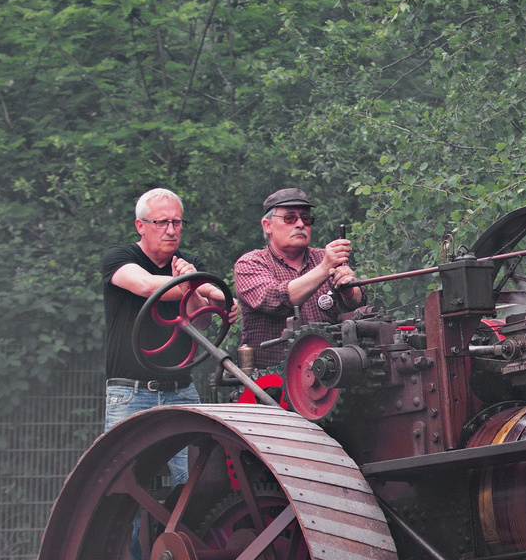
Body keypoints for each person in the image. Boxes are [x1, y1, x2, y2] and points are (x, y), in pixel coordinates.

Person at [102, 187, 230, 483]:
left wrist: (221, 299)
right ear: (141, 226)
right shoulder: (119, 257)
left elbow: (204, 323)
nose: (171, 230)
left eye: (177, 222)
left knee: (194, 484)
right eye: (162, 223)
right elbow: (148, 286)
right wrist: (193, 284)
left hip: (181, 390)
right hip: (130, 393)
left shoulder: (191, 262)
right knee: (122, 488)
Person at [234, 188, 363, 369]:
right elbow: (277, 298)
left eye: (306, 218)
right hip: (271, 381)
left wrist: (349, 291)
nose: (300, 224)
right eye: (290, 218)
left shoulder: (324, 258)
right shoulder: (250, 263)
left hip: (331, 374)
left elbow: (358, 303)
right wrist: (325, 268)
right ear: (267, 225)